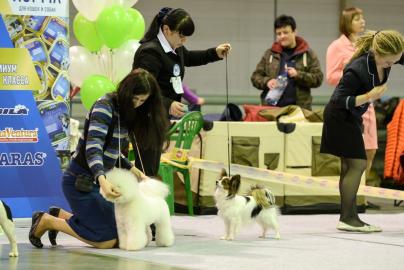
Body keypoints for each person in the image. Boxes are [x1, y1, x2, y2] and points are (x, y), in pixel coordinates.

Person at [28, 69, 170, 248]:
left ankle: (61, 215)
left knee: (120, 230)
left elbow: (111, 151)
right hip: (80, 182)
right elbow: (93, 147)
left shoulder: (125, 112)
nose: (137, 104)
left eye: (142, 101)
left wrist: (135, 171)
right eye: (135, 99)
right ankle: (48, 221)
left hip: (99, 183)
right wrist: (102, 181)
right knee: (106, 240)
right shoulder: (104, 106)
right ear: (125, 91)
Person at [321, 30, 404, 232]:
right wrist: (370, 95)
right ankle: (349, 218)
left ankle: (347, 217)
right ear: (377, 52)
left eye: (395, 62)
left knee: (349, 167)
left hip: (352, 116)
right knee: (358, 164)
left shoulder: (388, 56)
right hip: (339, 116)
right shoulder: (358, 69)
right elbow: (338, 100)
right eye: (388, 63)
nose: (391, 65)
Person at [132, 7, 230, 175]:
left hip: (158, 118)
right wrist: (169, 104)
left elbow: (190, 57)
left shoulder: (174, 48)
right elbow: (142, 90)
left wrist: (215, 53)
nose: (184, 40)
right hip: (145, 120)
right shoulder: (150, 52)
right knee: (146, 172)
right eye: (181, 35)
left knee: (150, 171)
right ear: (166, 29)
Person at [326, 8, 379, 191]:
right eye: (357, 18)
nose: (362, 21)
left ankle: (361, 194)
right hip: (349, 105)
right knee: (352, 157)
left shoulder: (365, 45)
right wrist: (355, 73)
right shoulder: (336, 46)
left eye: (362, 18)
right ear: (347, 22)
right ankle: (352, 199)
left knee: (371, 151)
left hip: (368, 104)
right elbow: (331, 77)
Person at [251, 14, 323, 110]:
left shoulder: (308, 54)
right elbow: (255, 77)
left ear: (294, 32)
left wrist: (298, 75)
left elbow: (318, 78)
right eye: (279, 34)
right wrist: (267, 81)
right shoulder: (270, 54)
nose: (282, 36)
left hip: (299, 111)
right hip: (271, 111)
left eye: (285, 32)